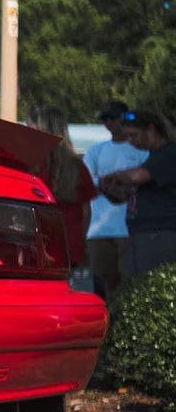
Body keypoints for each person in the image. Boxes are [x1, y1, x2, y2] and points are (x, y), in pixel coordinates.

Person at [82, 99, 147, 298]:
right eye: (104, 119)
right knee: (101, 282)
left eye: (111, 118)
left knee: (130, 282)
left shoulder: (141, 150)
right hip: (99, 229)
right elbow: (84, 180)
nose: (108, 123)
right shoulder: (96, 150)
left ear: (123, 118)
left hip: (130, 227)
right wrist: (105, 183)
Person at [100, 109, 176, 276]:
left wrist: (112, 176)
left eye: (133, 135)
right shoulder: (153, 156)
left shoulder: (169, 152)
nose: (130, 141)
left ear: (151, 129)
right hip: (142, 233)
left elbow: (138, 176)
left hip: (159, 233)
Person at [27, 106, 97, 270]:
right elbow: (86, 211)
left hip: (37, 244)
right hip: (69, 245)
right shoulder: (76, 167)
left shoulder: (31, 166)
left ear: (43, 129)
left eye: (30, 126)